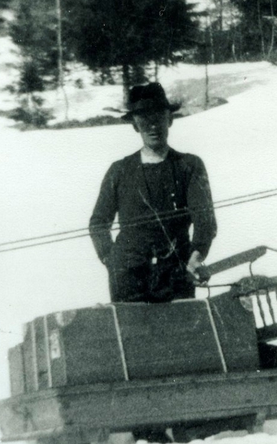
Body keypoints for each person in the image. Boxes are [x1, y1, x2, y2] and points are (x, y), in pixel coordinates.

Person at [89, 82, 217, 303]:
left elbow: (205, 222)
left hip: (176, 275)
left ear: (170, 119)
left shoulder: (189, 166)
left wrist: (196, 258)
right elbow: (99, 222)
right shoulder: (119, 171)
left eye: (158, 118)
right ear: (135, 125)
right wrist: (113, 260)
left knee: (181, 334)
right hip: (129, 280)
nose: (153, 126)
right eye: (144, 120)